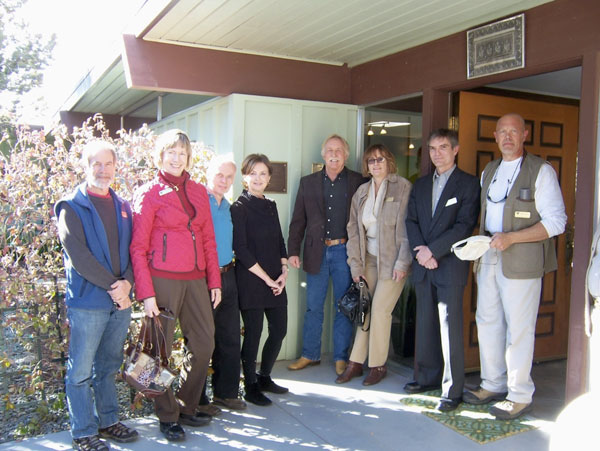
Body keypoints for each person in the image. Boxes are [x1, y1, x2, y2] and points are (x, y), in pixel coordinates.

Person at [463, 113, 567, 420]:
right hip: (489, 256)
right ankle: (492, 384)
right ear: (495, 136)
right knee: (487, 321)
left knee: (519, 330)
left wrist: (513, 238)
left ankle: (520, 395)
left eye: (514, 131)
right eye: (502, 132)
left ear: (525, 135)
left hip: (522, 261)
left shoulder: (541, 171)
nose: (508, 137)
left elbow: (556, 222)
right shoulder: (489, 171)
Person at [130, 130, 221, 442]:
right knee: (157, 352)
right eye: (171, 152)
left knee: (205, 343)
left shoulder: (198, 192)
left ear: (188, 158)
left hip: (196, 278)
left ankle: (186, 404)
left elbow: (208, 239)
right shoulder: (149, 193)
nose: (176, 158)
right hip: (162, 279)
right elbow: (137, 249)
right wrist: (146, 294)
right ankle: (167, 415)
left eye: (182, 153)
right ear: (160, 156)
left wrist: (214, 281)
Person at [55, 141, 138, 451]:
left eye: (108, 164)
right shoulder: (70, 206)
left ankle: (108, 421)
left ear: (116, 167)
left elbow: (134, 251)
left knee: (108, 366)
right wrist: (116, 287)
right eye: (96, 165)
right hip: (89, 303)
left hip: (121, 302)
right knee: (79, 371)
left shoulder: (124, 207)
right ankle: (83, 431)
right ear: (86, 167)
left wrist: (128, 283)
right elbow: (79, 256)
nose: (103, 170)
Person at [403, 129, 480, 412]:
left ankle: (452, 390)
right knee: (425, 324)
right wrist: (422, 252)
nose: (437, 153)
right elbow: (411, 221)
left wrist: (433, 251)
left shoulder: (468, 184)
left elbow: (464, 225)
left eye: (443, 147)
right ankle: (426, 378)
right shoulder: (421, 185)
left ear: (456, 149)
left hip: (450, 265)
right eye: (433, 148)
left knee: (450, 329)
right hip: (424, 265)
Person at [288, 134, 368, 376]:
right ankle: (309, 354)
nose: (334, 154)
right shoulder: (308, 182)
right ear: (323, 154)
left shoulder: (358, 182)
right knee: (314, 306)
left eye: (339, 150)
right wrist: (293, 250)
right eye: (330, 150)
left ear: (346, 154)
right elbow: (298, 220)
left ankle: (341, 358)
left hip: (346, 251)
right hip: (317, 252)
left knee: (344, 306)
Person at [336, 144, 412, 386]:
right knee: (365, 310)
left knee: (380, 310)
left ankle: (378, 365)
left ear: (389, 161)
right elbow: (353, 232)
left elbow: (408, 228)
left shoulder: (402, 187)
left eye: (381, 159)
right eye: (371, 161)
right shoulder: (361, 192)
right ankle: (355, 363)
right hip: (368, 258)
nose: (376, 164)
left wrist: (403, 262)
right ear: (366, 166)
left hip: (393, 260)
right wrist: (356, 268)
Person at [231, 154, 289, 406]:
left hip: (276, 279)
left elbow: (279, 241)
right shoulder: (239, 207)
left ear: (269, 178)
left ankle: (264, 376)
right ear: (244, 176)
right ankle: (250, 386)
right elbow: (241, 249)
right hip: (252, 280)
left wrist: (284, 272)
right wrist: (267, 278)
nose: (258, 178)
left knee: (279, 330)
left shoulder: (271, 205)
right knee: (254, 333)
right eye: (253, 173)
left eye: (263, 173)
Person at [198, 154, 247, 414]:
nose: (224, 181)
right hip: (205, 279)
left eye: (229, 177)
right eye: (220, 174)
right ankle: (196, 399)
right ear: (208, 173)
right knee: (202, 341)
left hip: (229, 276)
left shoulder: (228, 207)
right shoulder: (197, 202)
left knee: (229, 338)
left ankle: (225, 394)